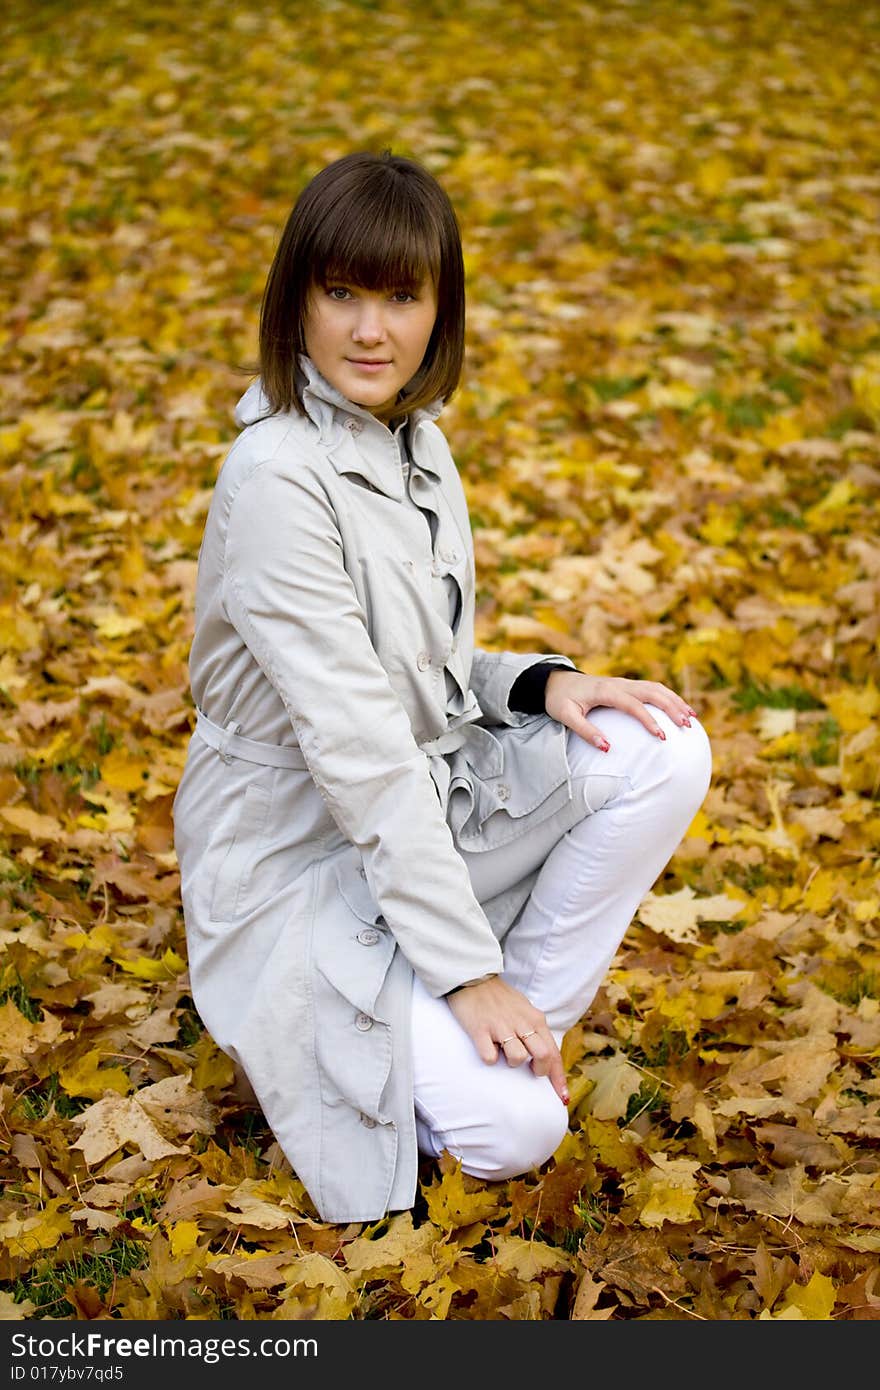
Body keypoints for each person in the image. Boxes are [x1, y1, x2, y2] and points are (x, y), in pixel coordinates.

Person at [172, 149, 712, 1224]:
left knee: (659, 749)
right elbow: (356, 746)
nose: (370, 330)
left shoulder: (417, 443)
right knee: (515, 1135)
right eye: (341, 293)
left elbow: (414, 668)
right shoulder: (279, 477)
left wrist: (536, 686)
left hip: (415, 805)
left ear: (437, 310)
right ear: (296, 304)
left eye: (401, 296)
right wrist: (466, 971)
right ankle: (460, 1021)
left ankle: (509, 1029)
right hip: (292, 851)